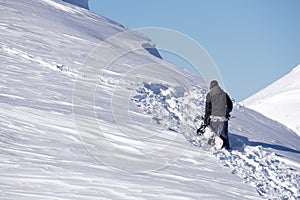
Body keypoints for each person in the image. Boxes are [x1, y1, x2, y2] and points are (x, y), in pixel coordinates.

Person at [202, 80, 233, 149]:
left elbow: (207, 109)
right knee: (224, 134)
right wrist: (227, 112)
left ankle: (212, 147)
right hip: (223, 117)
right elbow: (230, 105)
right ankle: (226, 148)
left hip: (214, 117)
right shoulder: (224, 94)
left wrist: (206, 119)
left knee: (213, 132)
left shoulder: (209, 95)